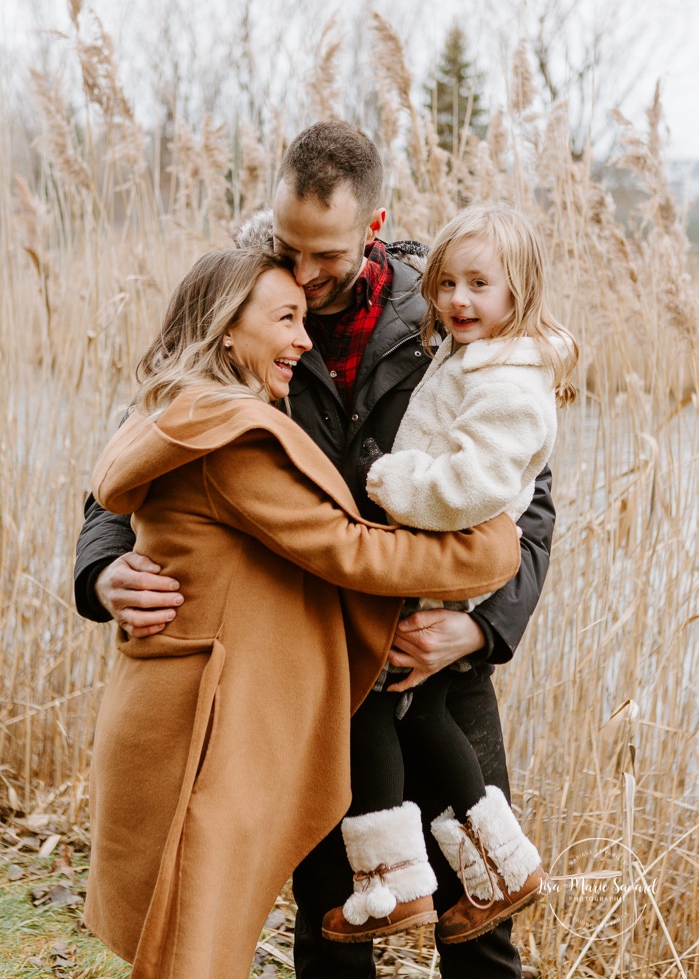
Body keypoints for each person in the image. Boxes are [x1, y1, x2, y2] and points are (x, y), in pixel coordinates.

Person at [74, 121, 556, 979]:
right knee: (334, 909)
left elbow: (525, 489)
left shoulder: (444, 313)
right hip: (309, 661)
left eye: (324, 254)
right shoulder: (241, 300)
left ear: (374, 229)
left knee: (474, 908)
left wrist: (483, 629)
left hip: (430, 649)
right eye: (285, 244)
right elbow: (141, 445)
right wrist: (102, 566)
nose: (301, 272)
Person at [321, 204, 578, 946]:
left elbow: (470, 484)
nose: (458, 301)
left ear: (518, 294)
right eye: (446, 284)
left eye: (479, 285)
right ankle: (497, 869)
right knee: (418, 710)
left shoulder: (510, 379)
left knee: (366, 691)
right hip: (432, 554)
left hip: (447, 560)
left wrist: (382, 478)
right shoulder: (473, 355)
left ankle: (393, 882)